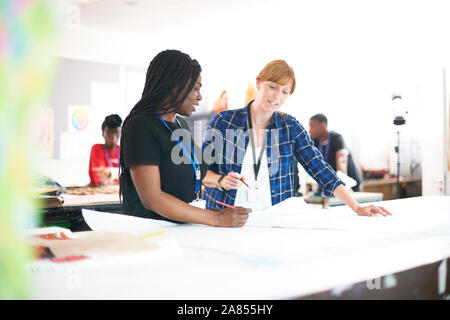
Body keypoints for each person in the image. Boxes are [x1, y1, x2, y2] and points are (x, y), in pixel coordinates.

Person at [201, 60, 391, 217]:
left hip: (272, 217)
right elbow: (200, 172)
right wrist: (220, 180)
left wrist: (356, 207)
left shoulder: (289, 127)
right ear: (258, 83)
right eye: (272, 86)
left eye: (285, 91)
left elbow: (320, 169)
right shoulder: (224, 121)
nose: (277, 96)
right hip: (225, 214)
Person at [119, 50, 251, 227]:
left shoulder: (180, 124)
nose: (199, 97)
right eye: (196, 88)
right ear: (174, 87)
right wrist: (215, 218)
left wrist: (221, 181)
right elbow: (153, 199)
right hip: (153, 232)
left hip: (182, 229)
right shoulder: (140, 126)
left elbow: (194, 171)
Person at [309, 113, 362, 191]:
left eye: (312, 126)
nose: (310, 130)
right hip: (333, 186)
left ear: (323, 125)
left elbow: (342, 160)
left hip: (350, 184)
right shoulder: (315, 142)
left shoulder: (337, 138)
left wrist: (342, 181)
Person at [88, 114, 122, 186]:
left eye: (116, 131)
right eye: (109, 132)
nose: (113, 136)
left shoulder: (122, 150)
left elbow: (128, 176)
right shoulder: (97, 148)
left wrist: (110, 173)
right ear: (103, 133)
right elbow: (98, 178)